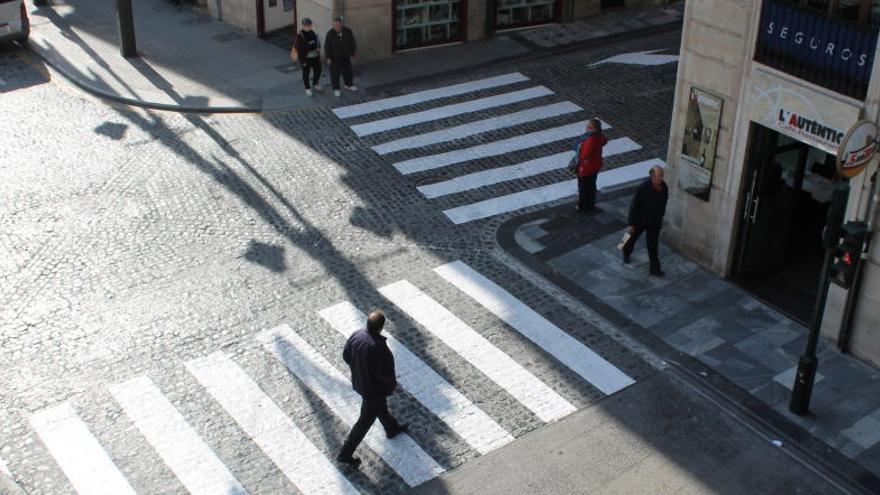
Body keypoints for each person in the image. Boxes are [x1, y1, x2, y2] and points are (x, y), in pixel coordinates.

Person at [337, 310, 408, 467]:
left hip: (360, 382)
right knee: (365, 421)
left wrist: (358, 369)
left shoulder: (356, 335)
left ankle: (392, 428)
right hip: (373, 390)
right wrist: (390, 387)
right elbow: (385, 373)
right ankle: (345, 453)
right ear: (381, 327)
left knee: (380, 408)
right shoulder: (379, 347)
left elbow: (346, 355)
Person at [622, 165, 669, 277]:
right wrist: (631, 223)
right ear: (652, 177)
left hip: (654, 222)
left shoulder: (664, 188)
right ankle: (625, 251)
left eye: (662, 175)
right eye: (659, 176)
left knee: (653, 246)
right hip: (640, 220)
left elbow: (663, 205)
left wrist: (659, 219)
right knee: (629, 238)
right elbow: (634, 206)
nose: (661, 178)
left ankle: (655, 269)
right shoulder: (643, 187)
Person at [575, 119, 607, 211]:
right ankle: (591, 204)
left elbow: (585, 154)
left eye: (589, 127)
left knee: (583, 188)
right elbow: (604, 141)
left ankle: (582, 207)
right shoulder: (600, 137)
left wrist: (579, 158)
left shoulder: (590, 139)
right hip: (596, 165)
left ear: (594, 129)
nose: (587, 129)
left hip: (586, 167)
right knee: (592, 185)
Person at [325, 17, 357, 97]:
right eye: (335, 25)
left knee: (348, 71)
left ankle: (348, 84)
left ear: (341, 24)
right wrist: (328, 57)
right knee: (335, 74)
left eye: (339, 25)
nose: (337, 27)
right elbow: (327, 46)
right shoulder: (330, 34)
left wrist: (352, 54)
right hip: (334, 57)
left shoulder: (348, 31)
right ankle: (336, 89)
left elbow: (352, 43)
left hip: (345, 56)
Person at [292, 18, 323, 97]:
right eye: (307, 25)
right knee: (306, 73)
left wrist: (318, 47)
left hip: (315, 56)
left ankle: (315, 83)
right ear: (303, 26)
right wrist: (302, 61)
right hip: (306, 58)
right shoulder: (300, 35)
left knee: (318, 70)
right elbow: (298, 48)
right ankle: (307, 88)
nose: (308, 27)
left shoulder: (312, 33)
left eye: (309, 25)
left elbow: (317, 42)